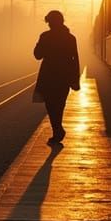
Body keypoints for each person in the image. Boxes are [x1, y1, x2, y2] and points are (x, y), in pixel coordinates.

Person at [33, 9, 80, 145]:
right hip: (64, 76)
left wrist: (40, 44)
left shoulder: (45, 36)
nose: (49, 25)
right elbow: (75, 59)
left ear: (51, 22)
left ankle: (58, 130)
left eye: (49, 22)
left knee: (50, 105)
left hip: (48, 76)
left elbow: (37, 55)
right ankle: (58, 130)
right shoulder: (70, 38)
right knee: (60, 104)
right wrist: (75, 79)